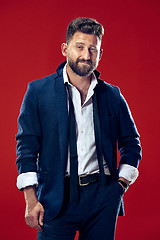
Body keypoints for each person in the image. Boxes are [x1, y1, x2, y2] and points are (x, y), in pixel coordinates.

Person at [16, 17, 142, 240]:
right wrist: (31, 200)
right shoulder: (38, 92)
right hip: (55, 197)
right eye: (80, 47)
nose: (86, 55)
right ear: (65, 49)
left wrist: (119, 185)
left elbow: (131, 143)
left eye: (93, 49)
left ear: (100, 54)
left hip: (102, 197)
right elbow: (26, 147)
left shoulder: (112, 95)